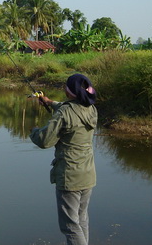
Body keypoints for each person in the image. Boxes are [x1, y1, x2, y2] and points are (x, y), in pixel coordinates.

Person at [30, 73, 98, 245]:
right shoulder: (91, 108)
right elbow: (69, 110)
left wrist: (34, 130)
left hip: (70, 176)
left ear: (69, 91)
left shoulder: (65, 113)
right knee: (81, 218)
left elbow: (44, 141)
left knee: (69, 225)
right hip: (87, 174)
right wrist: (49, 102)